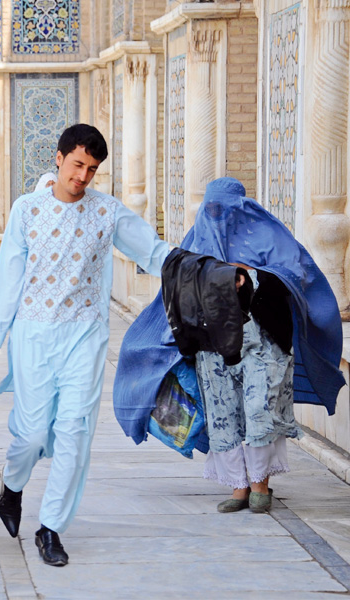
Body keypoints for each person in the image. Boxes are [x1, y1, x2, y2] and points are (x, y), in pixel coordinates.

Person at [0, 124, 170, 566]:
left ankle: (50, 527)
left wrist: (204, 268)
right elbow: (8, 277)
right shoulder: (27, 210)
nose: (83, 176)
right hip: (33, 334)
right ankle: (12, 487)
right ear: (60, 158)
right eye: (78, 164)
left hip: (85, 335)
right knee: (30, 433)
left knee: (74, 432)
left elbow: (154, 251)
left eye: (93, 169)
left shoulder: (107, 212)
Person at [114, 177, 345, 514]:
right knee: (224, 414)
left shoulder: (267, 235)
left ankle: (260, 485)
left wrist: (253, 273)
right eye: (210, 208)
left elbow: (298, 272)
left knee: (260, 408)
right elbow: (178, 282)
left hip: (264, 340)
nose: (217, 216)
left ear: (244, 210)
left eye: (224, 209)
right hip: (213, 345)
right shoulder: (198, 239)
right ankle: (238, 488)